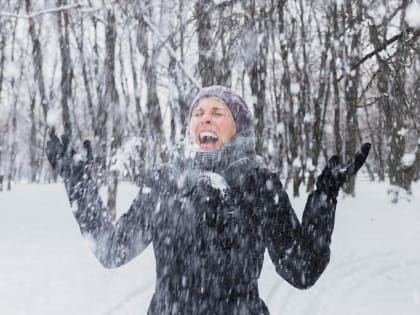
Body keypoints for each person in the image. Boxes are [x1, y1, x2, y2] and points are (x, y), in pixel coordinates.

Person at [46, 85, 371, 315]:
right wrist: (78, 184)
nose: (205, 118)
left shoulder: (258, 183)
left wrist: (326, 195)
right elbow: (111, 250)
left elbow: (301, 270)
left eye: (218, 112)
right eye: (198, 113)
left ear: (238, 127)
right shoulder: (165, 182)